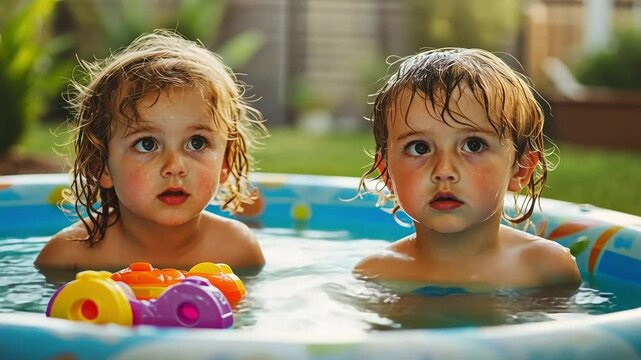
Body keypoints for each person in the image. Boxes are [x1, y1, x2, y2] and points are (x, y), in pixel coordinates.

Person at [35, 30, 267, 271]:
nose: (174, 166)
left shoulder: (236, 251)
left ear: (225, 163)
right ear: (101, 165)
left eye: (196, 142)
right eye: (147, 144)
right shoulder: (70, 256)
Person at [353, 48, 581, 289]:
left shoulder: (545, 268)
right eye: (419, 148)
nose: (443, 170)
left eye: (473, 145)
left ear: (520, 169)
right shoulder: (378, 273)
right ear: (386, 172)